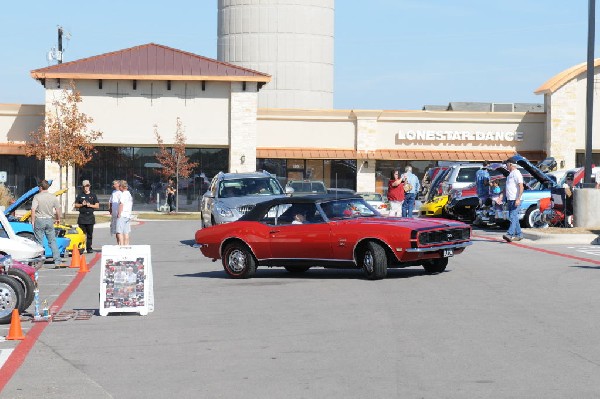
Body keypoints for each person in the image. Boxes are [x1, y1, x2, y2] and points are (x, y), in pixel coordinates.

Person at [31, 179, 66, 268]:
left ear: (41, 187)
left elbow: (33, 209)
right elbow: (58, 210)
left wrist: (32, 221)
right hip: (49, 220)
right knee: (52, 241)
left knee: (39, 242)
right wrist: (58, 219)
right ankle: (57, 261)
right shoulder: (53, 197)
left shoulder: (37, 197)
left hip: (39, 220)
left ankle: (39, 262)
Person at [74, 179, 99, 253]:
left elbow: (97, 205)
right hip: (82, 217)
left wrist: (90, 205)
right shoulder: (80, 195)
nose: (86, 188)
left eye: (88, 186)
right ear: (83, 187)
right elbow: (75, 205)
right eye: (85, 186)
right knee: (82, 234)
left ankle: (89, 248)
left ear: (89, 186)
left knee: (89, 234)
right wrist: (82, 204)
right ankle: (82, 247)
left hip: (90, 217)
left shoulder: (93, 195)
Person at [503, 157, 524, 242]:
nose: (506, 166)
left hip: (515, 199)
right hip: (510, 199)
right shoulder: (510, 174)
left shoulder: (517, 173)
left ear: (510, 164)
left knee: (512, 216)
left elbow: (521, 186)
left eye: (507, 164)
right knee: (514, 217)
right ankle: (519, 234)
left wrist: (518, 199)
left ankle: (510, 234)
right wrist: (503, 196)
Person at [117, 180, 133, 245]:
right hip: (128, 215)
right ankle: (127, 245)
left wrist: (119, 214)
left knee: (119, 232)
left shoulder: (123, 194)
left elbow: (121, 204)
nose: (119, 187)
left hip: (123, 215)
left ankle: (121, 245)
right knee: (126, 232)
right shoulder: (129, 194)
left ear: (121, 186)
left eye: (119, 186)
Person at [108, 180, 121, 244]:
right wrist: (110, 209)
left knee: (120, 230)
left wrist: (120, 212)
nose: (113, 185)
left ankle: (122, 244)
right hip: (114, 214)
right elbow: (110, 201)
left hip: (119, 214)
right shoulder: (113, 192)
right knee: (116, 230)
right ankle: (118, 243)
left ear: (118, 184)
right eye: (113, 184)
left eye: (114, 184)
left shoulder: (121, 192)